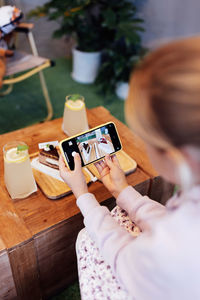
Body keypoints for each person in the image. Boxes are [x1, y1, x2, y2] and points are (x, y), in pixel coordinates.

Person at [59, 36, 200, 300]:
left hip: (150, 277)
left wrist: (83, 196)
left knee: (89, 240)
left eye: (147, 140)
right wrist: (122, 191)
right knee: (119, 215)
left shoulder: (181, 245)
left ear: (174, 156)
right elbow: (169, 225)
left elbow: (124, 259)